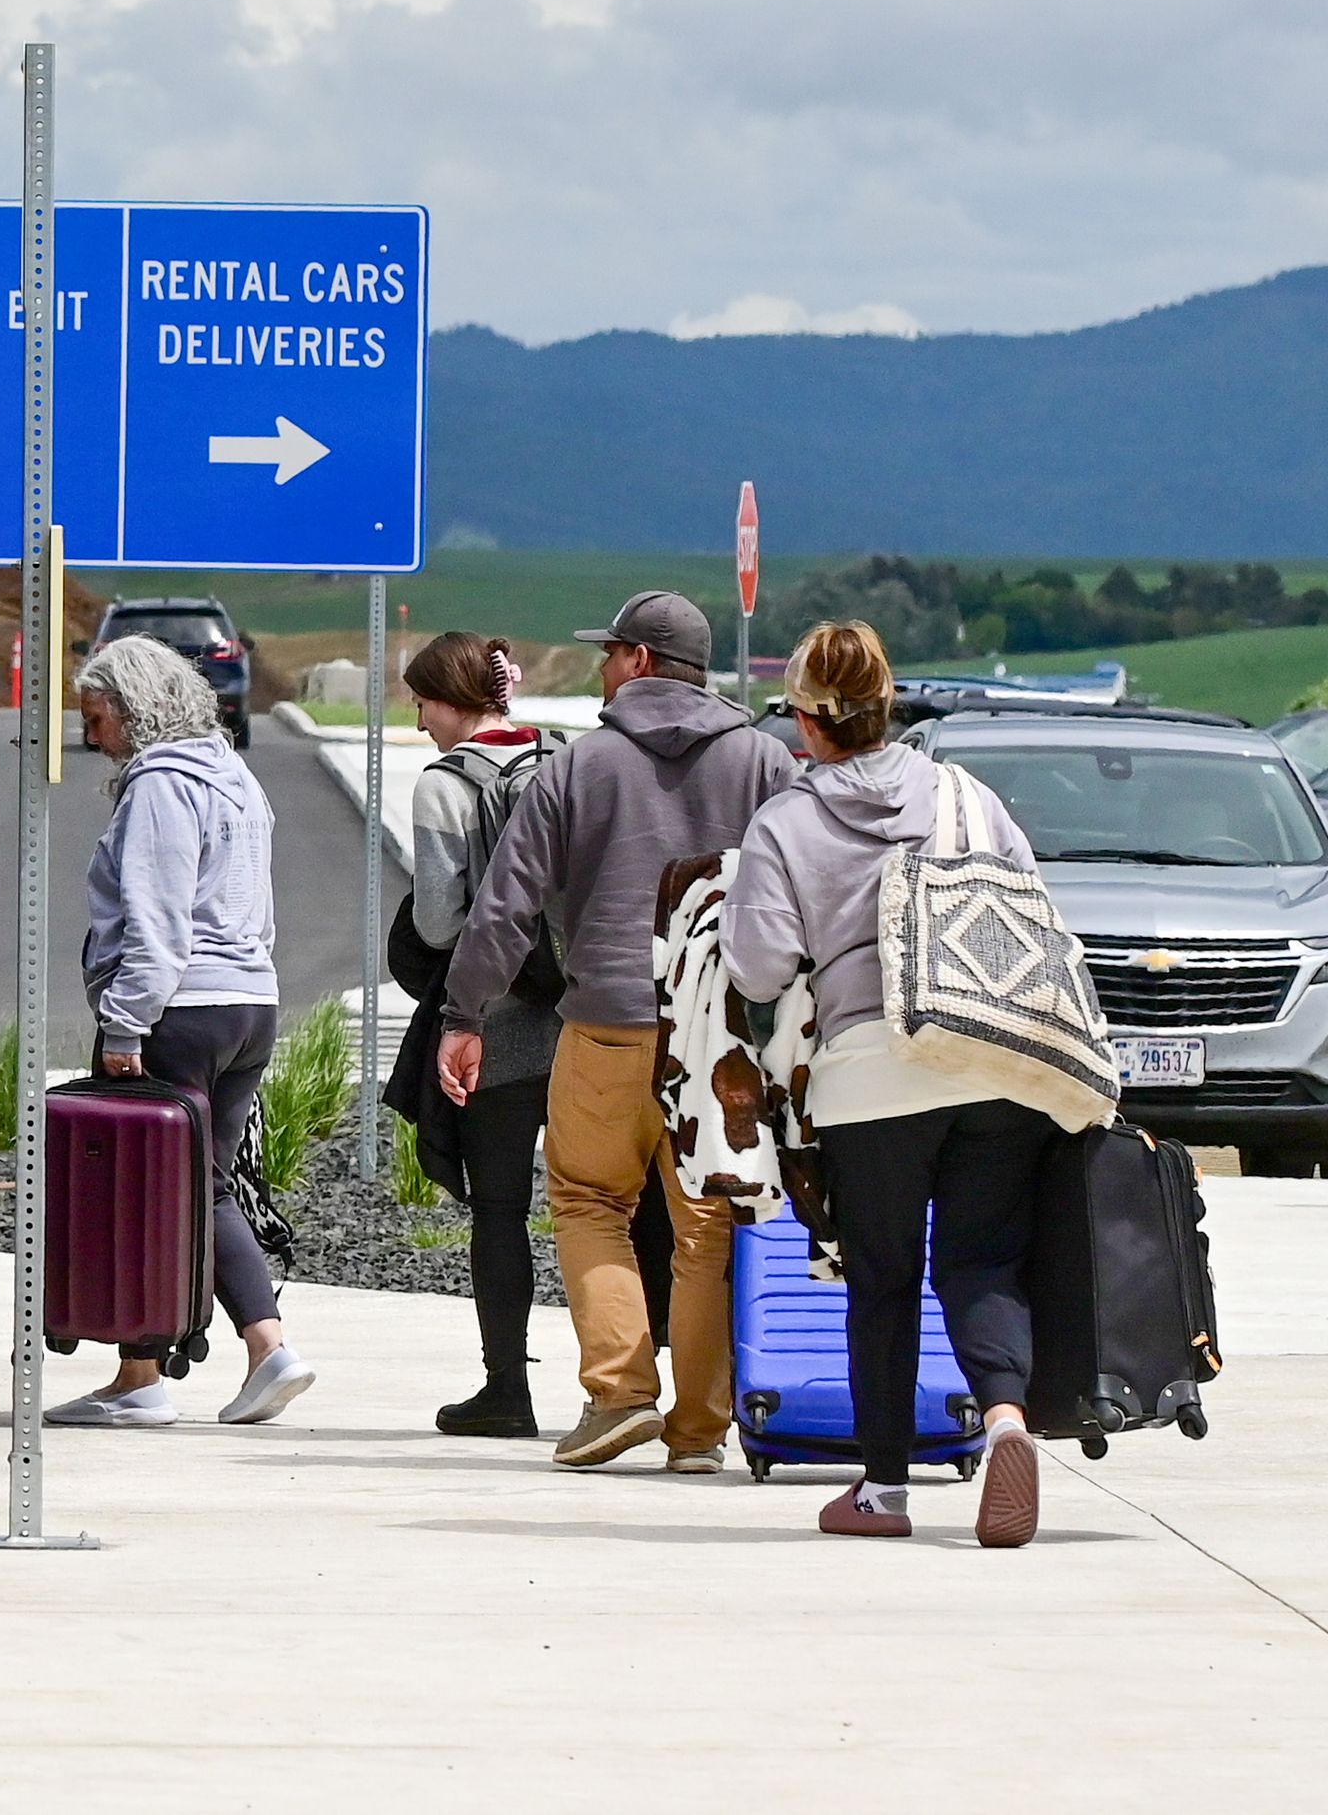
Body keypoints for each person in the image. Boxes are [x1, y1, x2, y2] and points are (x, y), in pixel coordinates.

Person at [722, 621, 1069, 1545]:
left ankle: (881, 1490)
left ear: (806, 720)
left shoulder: (786, 822)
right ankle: (1002, 1423)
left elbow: (758, 969)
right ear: (889, 705)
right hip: (989, 1061)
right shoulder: (964, 794)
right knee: (983, 1257)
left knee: (881, 1278)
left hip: (871, 1077)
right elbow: (1027, 905)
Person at [442, 590, 795, 1473]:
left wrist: (464, 1013)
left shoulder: (577, 766)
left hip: (606, 1024)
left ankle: (619, 1393)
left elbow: (505, 906)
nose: (601, 669)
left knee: (591, 1203)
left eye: (609, 653)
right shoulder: (766, 762)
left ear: (639, 660)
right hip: (721, 1038)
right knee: (710, 1221)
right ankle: (700, 1430)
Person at [391, 631, 677, 1440]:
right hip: (597, 1017)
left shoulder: (445, 785)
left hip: (501, 1024)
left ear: (451, 702)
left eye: (421, 704)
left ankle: (506, 1391)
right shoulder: (569, 757)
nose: (418, 724)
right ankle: (648, 1378)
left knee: (501, 1211)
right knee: (630, 1201)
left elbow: (444, 919)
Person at [49, 632, 315, 1430]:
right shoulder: (236, 777)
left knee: (146, 1186)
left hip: (178, 1011)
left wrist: (125, 1025)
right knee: (205, 1184)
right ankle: (259, 1350)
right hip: (249, 1004)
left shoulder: (162, 786)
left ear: (134, 709)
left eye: (98, 718)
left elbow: (158, 921)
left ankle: (145, 1380)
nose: (93, 736)